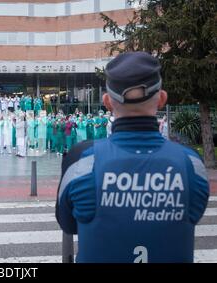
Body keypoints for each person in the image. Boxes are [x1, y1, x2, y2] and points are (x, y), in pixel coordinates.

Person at [56, 52, 209, 263]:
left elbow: (68, 224)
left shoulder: (81, 161)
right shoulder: (191, 164)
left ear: (107, 102)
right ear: (162, 99)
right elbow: (193, 216)